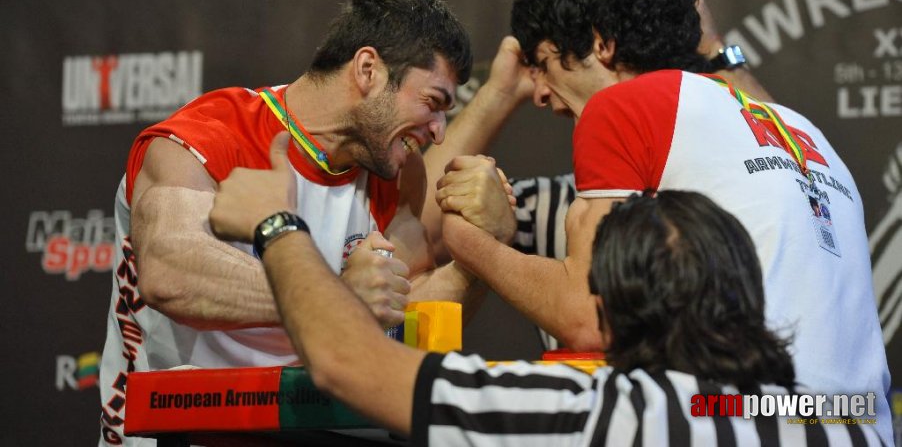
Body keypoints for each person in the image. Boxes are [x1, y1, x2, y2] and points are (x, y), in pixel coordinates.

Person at [434, 0, 892, 443]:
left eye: (543, 63)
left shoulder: (626, 106)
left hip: (745, 422)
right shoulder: (802, 130)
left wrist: (470, 240)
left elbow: (588, 320)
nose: (539, 91)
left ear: (600, 44)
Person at [207, 133, 882, 445]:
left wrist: (278, 225)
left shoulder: (597, 412)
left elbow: (348, 363)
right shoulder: (847, 418)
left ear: (606, 313)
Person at [97, 0, 476, 445]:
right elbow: (170, 275)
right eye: (433, 103)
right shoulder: (203, 137)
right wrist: (336, 293)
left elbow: (404, 305)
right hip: (183, 432)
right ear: (368, 70)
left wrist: (482, 250)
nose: (439, 132)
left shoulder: (397, 173)